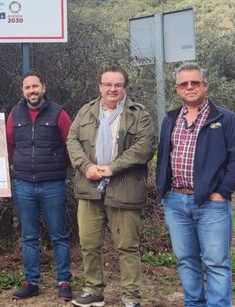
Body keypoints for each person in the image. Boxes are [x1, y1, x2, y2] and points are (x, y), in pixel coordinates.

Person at [156, 63, 235, 307]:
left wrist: (221, 192)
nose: (190, 87)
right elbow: (164, 155)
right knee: (186, 260)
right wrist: (163, 191)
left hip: (211, 203)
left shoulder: (225, 119)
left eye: (195, 82)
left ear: (205, 85)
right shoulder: (170, 119)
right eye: (184, 84)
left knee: (216, 262)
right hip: (175, 202)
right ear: (177, 89)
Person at [67, 66, 156, 307]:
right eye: (107, 84)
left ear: (124, 88)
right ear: (100, 86)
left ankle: (131, 297)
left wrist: (112, 168)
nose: (112, 89)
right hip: (89, 188)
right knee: (88, 243)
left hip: (124, 189)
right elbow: (72, 140)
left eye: (118, 85)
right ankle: (94, 291)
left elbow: (145, 146)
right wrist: (86, 166)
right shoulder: (86, 111)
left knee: (127, 246)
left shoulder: (139, 114)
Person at [6, 72, 74, 301]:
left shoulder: (59, 113)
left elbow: (70, 145)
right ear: (22, 91)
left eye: (35, 86)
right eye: (27, 87)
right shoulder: (14, 114)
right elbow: (9, 145)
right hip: (24, 184)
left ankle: (64, 282)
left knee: (59, 236)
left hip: (53, 184)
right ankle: (31, 282)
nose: (32, 91)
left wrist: (57, 166)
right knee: (29, 237)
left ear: (43, 88)